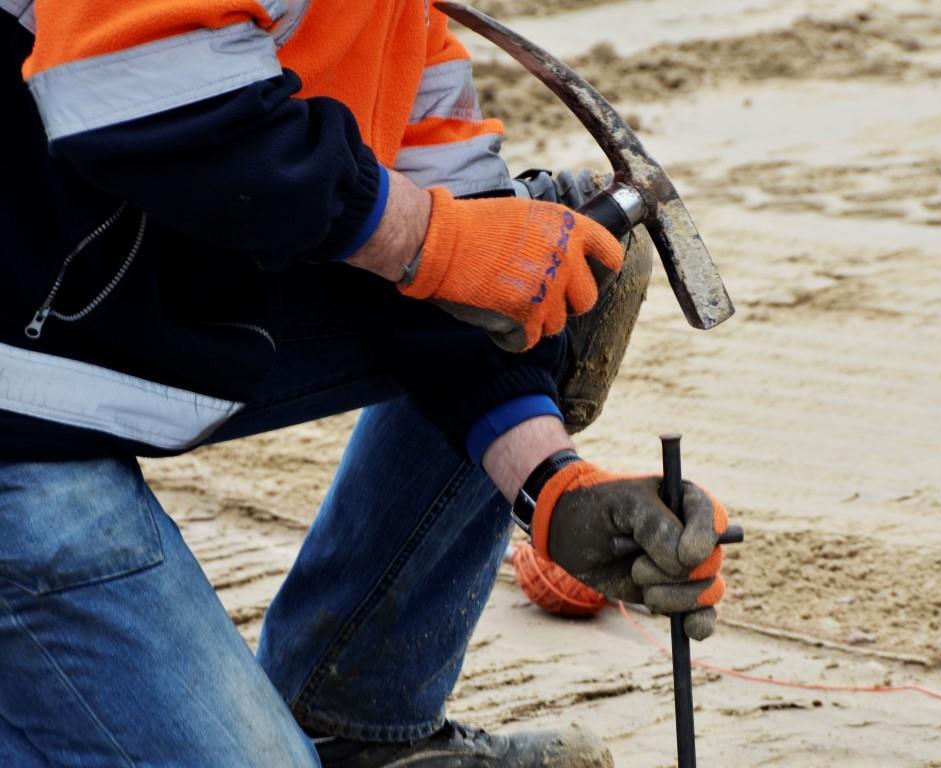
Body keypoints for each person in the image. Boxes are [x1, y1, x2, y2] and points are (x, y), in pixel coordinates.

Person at [0, 2, 729, 766]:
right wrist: (426, 239)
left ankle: (356, 725)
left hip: (82, 301)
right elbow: (138, 98)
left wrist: (549, 484)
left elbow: (446, 241)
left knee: (556, 260)